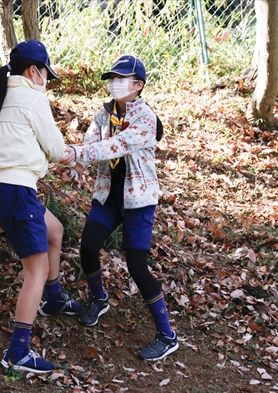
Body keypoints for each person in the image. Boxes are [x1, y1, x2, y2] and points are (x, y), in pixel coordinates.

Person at [0, 40, 82, 374]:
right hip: (17, 191)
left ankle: (55, 297)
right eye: (47, 73)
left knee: (55, 231)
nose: (46, 79)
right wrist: (74, 158)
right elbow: (55, 146)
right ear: (35, 71)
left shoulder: (2, 94)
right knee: (35, 270)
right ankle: (17, 352)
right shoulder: (32, 96)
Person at [61, 55, 178, 361]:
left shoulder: (145, 119)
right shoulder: (103, 115)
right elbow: (91, 147)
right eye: (111, 77)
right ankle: (99, 299)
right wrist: (75, 166)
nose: (114, 83)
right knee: (88, 246)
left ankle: (167, 335)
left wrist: (76, 152)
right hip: (109, 196)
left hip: (138, 200)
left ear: (138, 85)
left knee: (137, 266)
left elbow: (117, 146)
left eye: (121, 78)